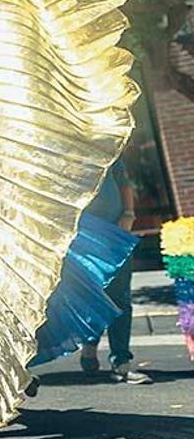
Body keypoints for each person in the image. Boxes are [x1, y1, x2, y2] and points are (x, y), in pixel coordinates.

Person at [78, 161, 152, 384]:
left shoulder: (109, 144)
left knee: (120, 297)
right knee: (95, 295)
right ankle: (90, 342)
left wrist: (128, 214)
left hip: (116, 231)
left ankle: (121, 362)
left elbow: (124, 184)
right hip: (83, 236)